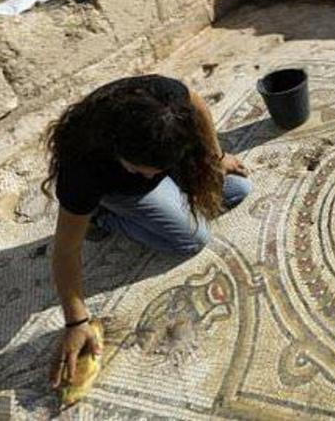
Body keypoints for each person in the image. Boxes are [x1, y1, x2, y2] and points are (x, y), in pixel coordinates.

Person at [43, 75, 252, 389]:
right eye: (140, 168)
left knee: (238, 189)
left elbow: (196, 102)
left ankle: (164, 190)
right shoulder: (84, 167)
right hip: (120, 191)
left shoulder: (165, 103)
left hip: (163, 157)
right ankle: (102, 215)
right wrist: (76, 320)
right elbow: (66, 248)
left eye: (154, 169)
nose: (147, 173)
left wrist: (215, 157)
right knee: (192, 238)